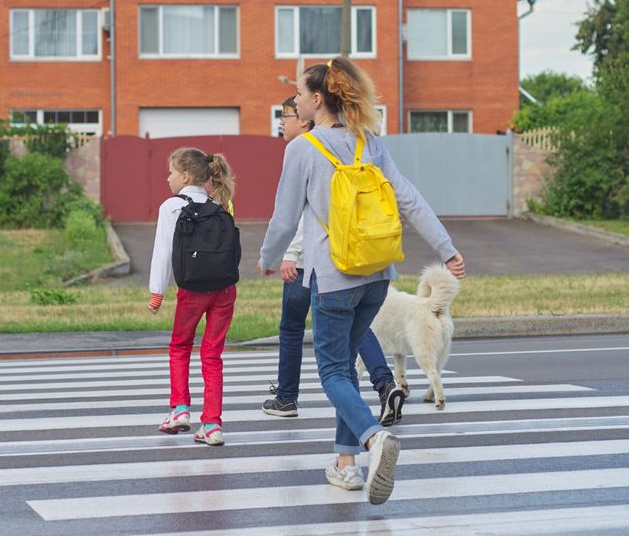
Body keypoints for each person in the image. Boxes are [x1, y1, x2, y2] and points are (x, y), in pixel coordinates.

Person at [258, 58, 466, 505]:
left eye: (298, 93)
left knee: (332, 371)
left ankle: (373, 440)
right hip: (378, 277)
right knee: (347, 364)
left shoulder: (303, 149)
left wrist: (267, 258)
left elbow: (283, 218)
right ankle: (345, 464)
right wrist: (446, 250)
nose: (294, 100)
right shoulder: (367, 142)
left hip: (334, 279)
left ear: (317, 100)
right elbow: (409, 198)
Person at [263, 96, 407, 428]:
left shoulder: (305, 150)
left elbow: (299, 217)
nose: (282, 123)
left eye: (285, 115)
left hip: (311, 264)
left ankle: (288, 397)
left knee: (300, 336)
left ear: (305, 117)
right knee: (352, 336)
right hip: (361, 265)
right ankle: (383, 387)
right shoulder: (348, 145)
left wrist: (284, 255)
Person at [148, 147, 237, 446]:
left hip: (192, 291)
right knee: (212, 355)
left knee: (180, 346)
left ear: (185, 175)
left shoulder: (171, 207)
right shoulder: (220, 205)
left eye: (172, 172)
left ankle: (180, 408)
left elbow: (163, 253)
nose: (168, 177)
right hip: (225, 290)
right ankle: (212, 425)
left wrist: (157, 292)